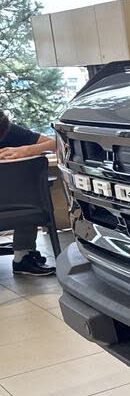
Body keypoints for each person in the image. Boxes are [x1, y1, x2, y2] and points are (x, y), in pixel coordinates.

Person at [0, 111, 57, 275]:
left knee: (27, 190)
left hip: (13, 201)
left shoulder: (9, 130)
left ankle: (23, 255)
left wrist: (28, 150)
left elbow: (54, 143)